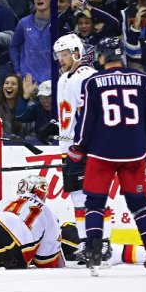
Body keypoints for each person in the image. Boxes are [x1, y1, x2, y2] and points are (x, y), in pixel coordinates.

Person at [71, 37, 146, 275]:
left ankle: (93, 253)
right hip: (134, 152)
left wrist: (79, 147)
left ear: (102, 58)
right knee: (139, 204)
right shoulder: (142, 80)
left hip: (102, 152)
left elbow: (86, 121)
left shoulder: (93, 82)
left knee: (94, 203)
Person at [53, 33, 100, 257]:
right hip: (68, 149)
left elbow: (91, 114)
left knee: (93, 195)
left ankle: (100, 241)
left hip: (84, 148)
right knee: (77, 197)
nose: (60, 60)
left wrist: (81, 144)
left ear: (77, 53)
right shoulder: (63, 79)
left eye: (64, 55)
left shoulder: (88, 76)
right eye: (58, 56)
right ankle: (85, 242)